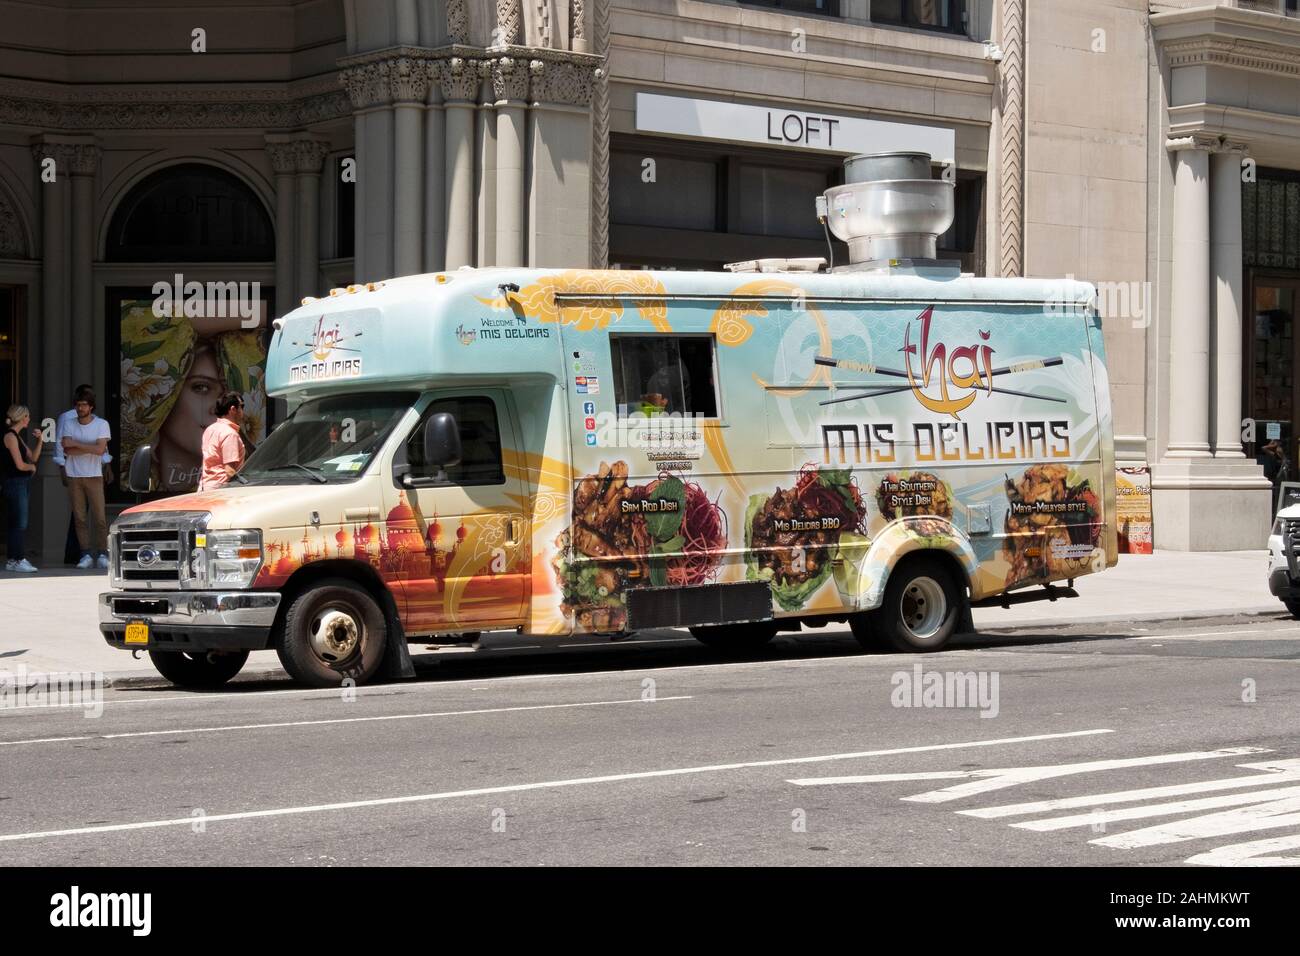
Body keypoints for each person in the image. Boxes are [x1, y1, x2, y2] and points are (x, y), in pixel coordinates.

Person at [54, 384, 111, 564]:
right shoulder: (68, 423)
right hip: (74, 475)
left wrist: (77, 445)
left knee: (100, 517)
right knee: (79, 518)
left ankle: (102, 553)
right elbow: (67, 449)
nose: (80, 408)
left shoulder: (101, 424)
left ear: (91, 406)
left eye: (84, 405)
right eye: (78, 405)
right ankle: (85, 553)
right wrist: (90, 447)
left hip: (94, 475)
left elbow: (100, 450)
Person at [2, 404, 44, 572]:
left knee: (17, 523)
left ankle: (13, 560)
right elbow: (20, 465)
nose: (29, 419)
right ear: (21, 417)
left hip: (21, 482)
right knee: (19, 523)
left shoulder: (17, 437)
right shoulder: (10, 437)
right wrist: (31, 468)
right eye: (27, 416)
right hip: (14, 482)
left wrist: (40, 440)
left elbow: (33, 457)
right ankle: (18, 559)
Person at [199, 391, 246, 491]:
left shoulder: (210, 429)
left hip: (205, 486)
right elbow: (230, 471)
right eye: (242, 406)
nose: (243, 411)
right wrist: (246, 484)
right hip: (223, 489)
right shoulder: (230, 433)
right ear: (233, 409)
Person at [1259, 439, 1291, 514]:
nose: (1278, 450)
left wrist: (1273, 445)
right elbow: (1263, 448)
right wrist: (1272, 444)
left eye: (1279, 449)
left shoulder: (1283, 458)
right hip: (1276, 479)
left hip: (1280, 480)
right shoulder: (1275, 455)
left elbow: (1264, 448)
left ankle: (1279, 510)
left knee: (1280, 496)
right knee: (1276, 497)